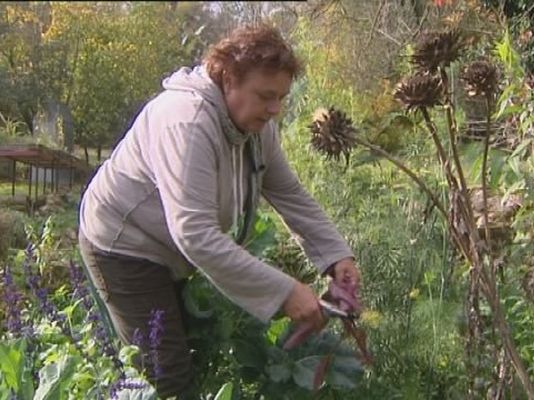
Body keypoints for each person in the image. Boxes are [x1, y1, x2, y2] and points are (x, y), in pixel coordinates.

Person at [78, 24, 360, 399]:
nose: (275, 109)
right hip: (123, 245)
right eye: (265, 96)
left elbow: (288, 193)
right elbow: (194, 233)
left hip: (168, 249)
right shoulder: (187, 122)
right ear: (228, 78)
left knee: (189, 357)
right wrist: (285, 292)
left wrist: (335, 255)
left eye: (281, 97)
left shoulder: (257, 127)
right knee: (167, 378)